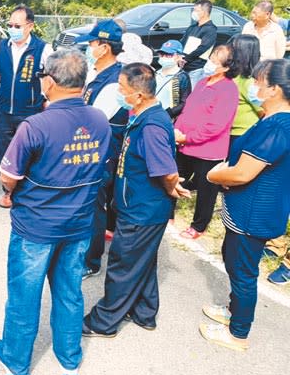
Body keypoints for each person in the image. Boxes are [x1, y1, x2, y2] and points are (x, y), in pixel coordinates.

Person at [0, 49, 111, 375]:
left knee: (23, 298)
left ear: (51, 81)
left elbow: (9, 177)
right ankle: (69, 356)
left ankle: (15, 360)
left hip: (36, 227)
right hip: (78, 225)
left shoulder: (35, 126)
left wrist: (9, 193)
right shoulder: (99, 119)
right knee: (69, 292)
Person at [83, 63, 191, 338]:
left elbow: (166, 170)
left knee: (123, 263)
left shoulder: (152, 125)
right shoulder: (144, 115)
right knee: (142, 260)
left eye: (123, 89)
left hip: (142, 210)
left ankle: (104, 321)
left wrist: (171, 187)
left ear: (139, 95)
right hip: (138, 205)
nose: (119, 93)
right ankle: (144, 311)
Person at [200, 59, 290, 350]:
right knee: (233, 260)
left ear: (275, 89)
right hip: (245, 207)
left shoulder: (279, 126)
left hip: (253, 214)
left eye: (259, 80)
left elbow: (242, 173)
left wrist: (214, 174)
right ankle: (233, 311)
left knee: (243, 273)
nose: (254, 85)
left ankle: (238, 333)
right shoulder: (270, 117)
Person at [75, 19, 129, 278]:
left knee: (94, 204)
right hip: (88, 147)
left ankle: (90, 260)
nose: (89, 47)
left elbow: (93, 118)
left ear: (105, 47)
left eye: (92, 43)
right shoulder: (97, 73)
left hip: (101, 151)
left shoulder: (114, 81)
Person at [0, 5, 53, 208]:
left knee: (29, 153)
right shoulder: (3, 45)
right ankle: (8, 193)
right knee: (5, 152)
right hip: (4, 109)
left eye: (17, 25)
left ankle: (26, 192)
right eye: (10, 25)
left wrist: (45, 98)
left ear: (30, 26)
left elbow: (49, 76)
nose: (13, 28)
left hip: (30, 110)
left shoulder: (43, 48)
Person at [174, 44, 240, 239]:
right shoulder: (204, 82)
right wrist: (179, 128)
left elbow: (216, 125)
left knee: (206, 191)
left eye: (215, 61)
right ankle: (167, 214)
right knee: (175, 178)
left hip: (207, 150)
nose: (210, 63)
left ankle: (199, 226)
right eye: (211, 58)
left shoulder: (228, 90)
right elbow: (188, 109)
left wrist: (187, 137)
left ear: (227, 67)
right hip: (184, 145)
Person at [229, 34, 262, 146]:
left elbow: (263, 110)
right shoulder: (234, 76)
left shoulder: (249, 82)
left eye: (233, 48)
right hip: (231, 131)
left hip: (243, 133)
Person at [180, 0, 218, 88]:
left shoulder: (210, 30)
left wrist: (186, 58)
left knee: (193, 95)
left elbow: (203, 48)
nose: (194, 13)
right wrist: (178, 56)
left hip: (197, 69)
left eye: (196, 10)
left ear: (204, 12)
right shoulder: (192, 27)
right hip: (184, 67)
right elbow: (182, 42)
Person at [154, 40, 191, 121]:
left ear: (179, 56)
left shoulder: (182, 77)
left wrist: (168, 113)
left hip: (169, 119)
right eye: (162, 54)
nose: (164, 57)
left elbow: (184, 102)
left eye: (169, 55)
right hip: (151, 116)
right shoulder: (155, 74)